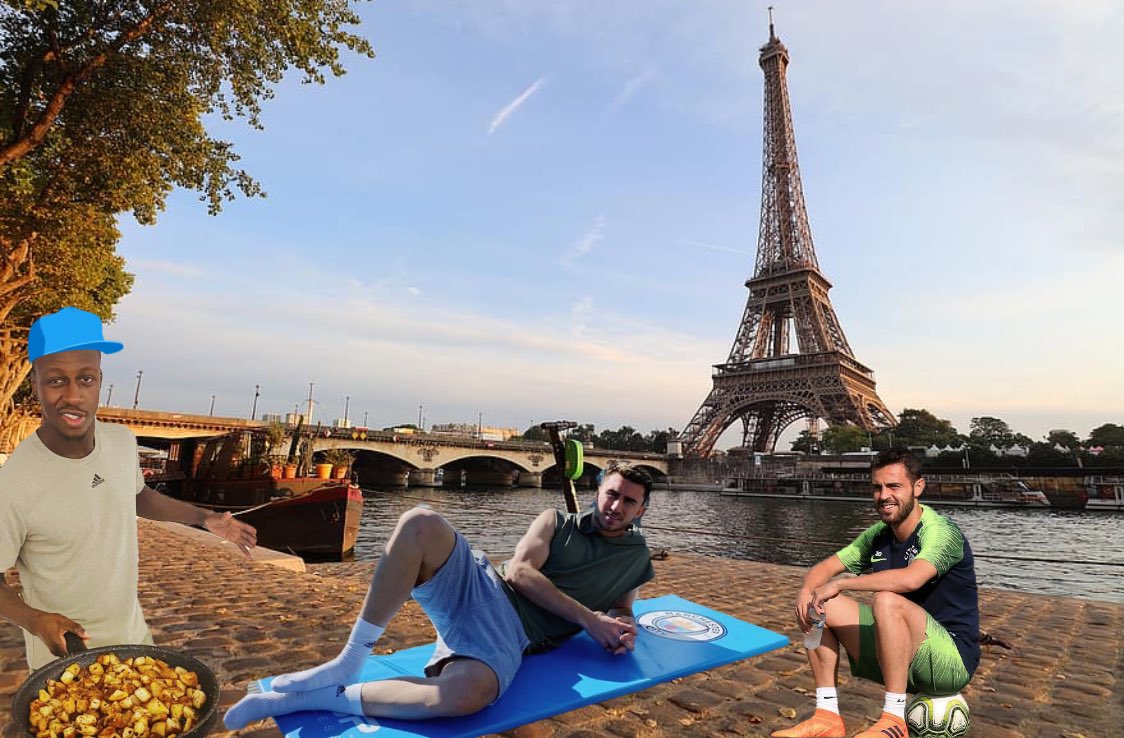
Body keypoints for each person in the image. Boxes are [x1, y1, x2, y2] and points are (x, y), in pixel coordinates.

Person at [223, 462, 655, 728]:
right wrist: (587, 619)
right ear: (598, 489)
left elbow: (623, 605)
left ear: (641, 511)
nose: (615, 506)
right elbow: (521, 572)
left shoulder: (635, 556)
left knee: (464, 697)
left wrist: (622, 627)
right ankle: (350, 661)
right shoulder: (554, 520)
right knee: (420, 520)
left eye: (627, 501)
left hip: (511, 639)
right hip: (485, 586)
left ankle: (310, 699)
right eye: (611, 493)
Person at [0, 307, 258, 669]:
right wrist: (34, 620)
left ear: (100, 380)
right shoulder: (13, 484)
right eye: (56, 380)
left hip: (135, 641)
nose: (73, 396)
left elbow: (137, 496)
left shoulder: (122, 442)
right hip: (65, 662)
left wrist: (205, 518)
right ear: (36, 384)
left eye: (86, 379)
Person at [773, 448, 979, 738]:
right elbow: (825, 567)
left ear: (918, 487)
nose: (884, 496)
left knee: (885, 599)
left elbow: (911, 579)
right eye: (877, 487)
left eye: (894, 486)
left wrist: (841, 583)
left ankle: (894, 720)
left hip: (951, 660)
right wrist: (807, 591)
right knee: (819, 602)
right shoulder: (878, 534)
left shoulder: (940, 531)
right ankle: (827, 716)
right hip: (899, 654)